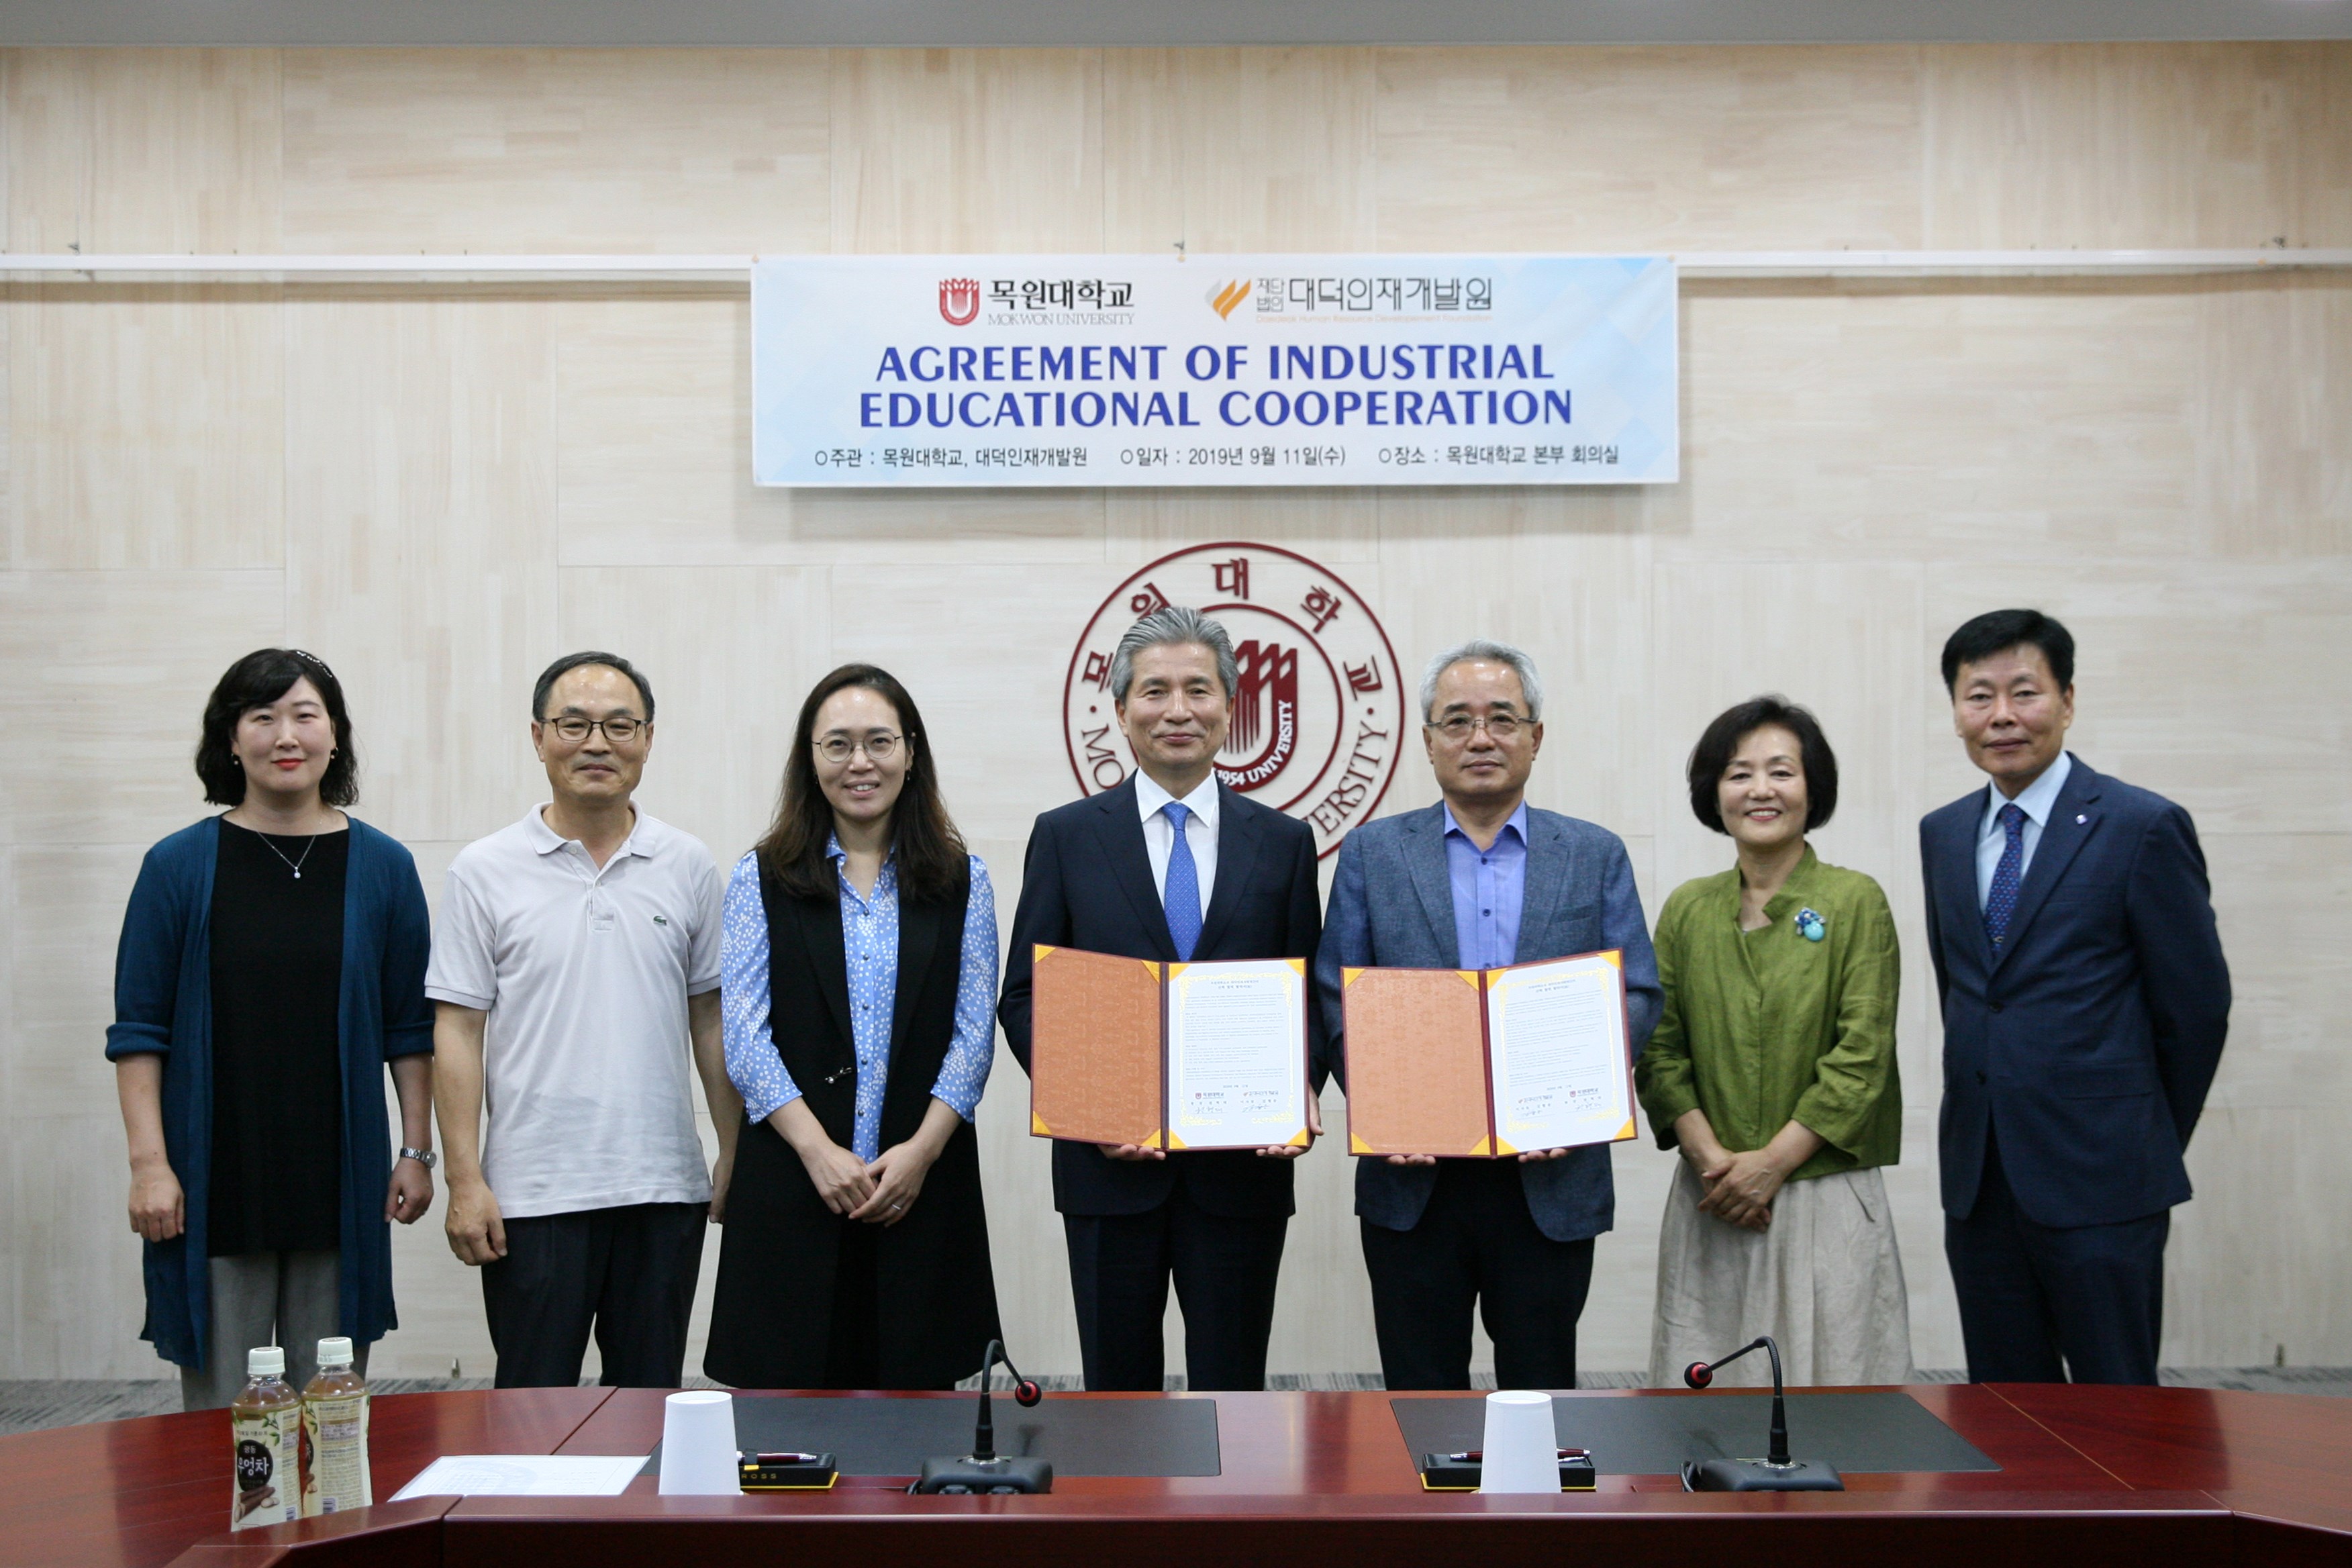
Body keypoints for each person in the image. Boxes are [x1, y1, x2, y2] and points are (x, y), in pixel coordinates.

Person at [1315, 639, 1659, 1391]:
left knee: (1540, 1391)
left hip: (1550, 1174)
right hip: (1415, 1175)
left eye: (1503, 718)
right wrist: (1384, 1102)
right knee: (1420, 1389)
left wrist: (1577, 1098)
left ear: (1536, 736)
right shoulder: (1373, 853)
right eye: (1458, 720)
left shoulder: (1594, 853)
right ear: (1429, 740)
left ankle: (1531, 1516)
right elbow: (1338, 990)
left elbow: (1637, 990)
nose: (1481, 738)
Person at [1000, 606, 1324, 1393]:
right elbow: (1025, 995)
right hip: (1108, 1170)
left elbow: (1308, 992)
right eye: (1154, 691)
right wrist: (1091, 1102)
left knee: (1234, 1386)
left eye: (1198, 689)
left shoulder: (1282, 842)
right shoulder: (1068, 835)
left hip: (1242, 1167)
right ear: (1119, 711)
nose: (1177, 710)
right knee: (1117, 1390)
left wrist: (1301, 1088)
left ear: (1229, 707)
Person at [108, 649, 436, 1410]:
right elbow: (138, 1031)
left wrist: (415, 1151)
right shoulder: (177, 866)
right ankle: (234, 1535)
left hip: (340, 1181)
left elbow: (409, 1027)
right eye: (262, 717)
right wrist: (150, 1164)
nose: (285, 735)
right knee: (227, 1418)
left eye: (304, 715)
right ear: (230, 739)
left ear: (334, 736)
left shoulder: (384, 866)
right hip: (215, 1181)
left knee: (332, 1414)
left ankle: (329, 1532)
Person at [1922, 609, 2228, 1385]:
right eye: (1977, 695)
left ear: (2066, 699)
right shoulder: (1945, 832)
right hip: (1982, 1178)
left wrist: (2139, 1134)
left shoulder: (2140, 825)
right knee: (2006, 1411)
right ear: (1956, 710)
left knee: (2118, 1407)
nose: (2000, 716)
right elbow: (1966, 992)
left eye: (2023, 692)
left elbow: (2194, 1010)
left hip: (2105, 1176)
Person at [426, 651, 741, 1388]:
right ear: (538, 736)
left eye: (619, 724)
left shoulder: (688, 863)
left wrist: (734, 1149)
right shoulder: (484, 868)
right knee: (532, 1411)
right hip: (532, 1196)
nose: (597, 742)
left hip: (664, 1188)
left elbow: (711, 1018)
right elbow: (457, 1030)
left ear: (648, 738)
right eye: (574, 723)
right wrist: (464, 1180)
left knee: (650, 1399)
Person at [704, 665, 1003, 1389]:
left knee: (918, 1410)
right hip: (794, 1181)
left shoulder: (964, 878)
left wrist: (922, 1151)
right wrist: (816, 1150)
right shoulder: (761, 876)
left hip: (920, 1186)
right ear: (810, 758)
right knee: (787, 1427)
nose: (860, 762)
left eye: (879, 741)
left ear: (911, 753)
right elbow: (745, 1034)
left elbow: (973, 1035)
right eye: (837, 744)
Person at [1635, 697, 1912, 1387]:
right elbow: (1659, 1048)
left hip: (1822, 1193)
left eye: (1781, 771)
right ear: (1714, 792)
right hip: (1715, 1194)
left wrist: (1772, 1164)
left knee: (1837, 1398)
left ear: (1812, 786)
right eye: (1739, 772)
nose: (1761, 788)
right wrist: (1716, 1161)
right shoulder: (1687, 908)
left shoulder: (1855, 900)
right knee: (1707, 1404)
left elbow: (1861, 1058)